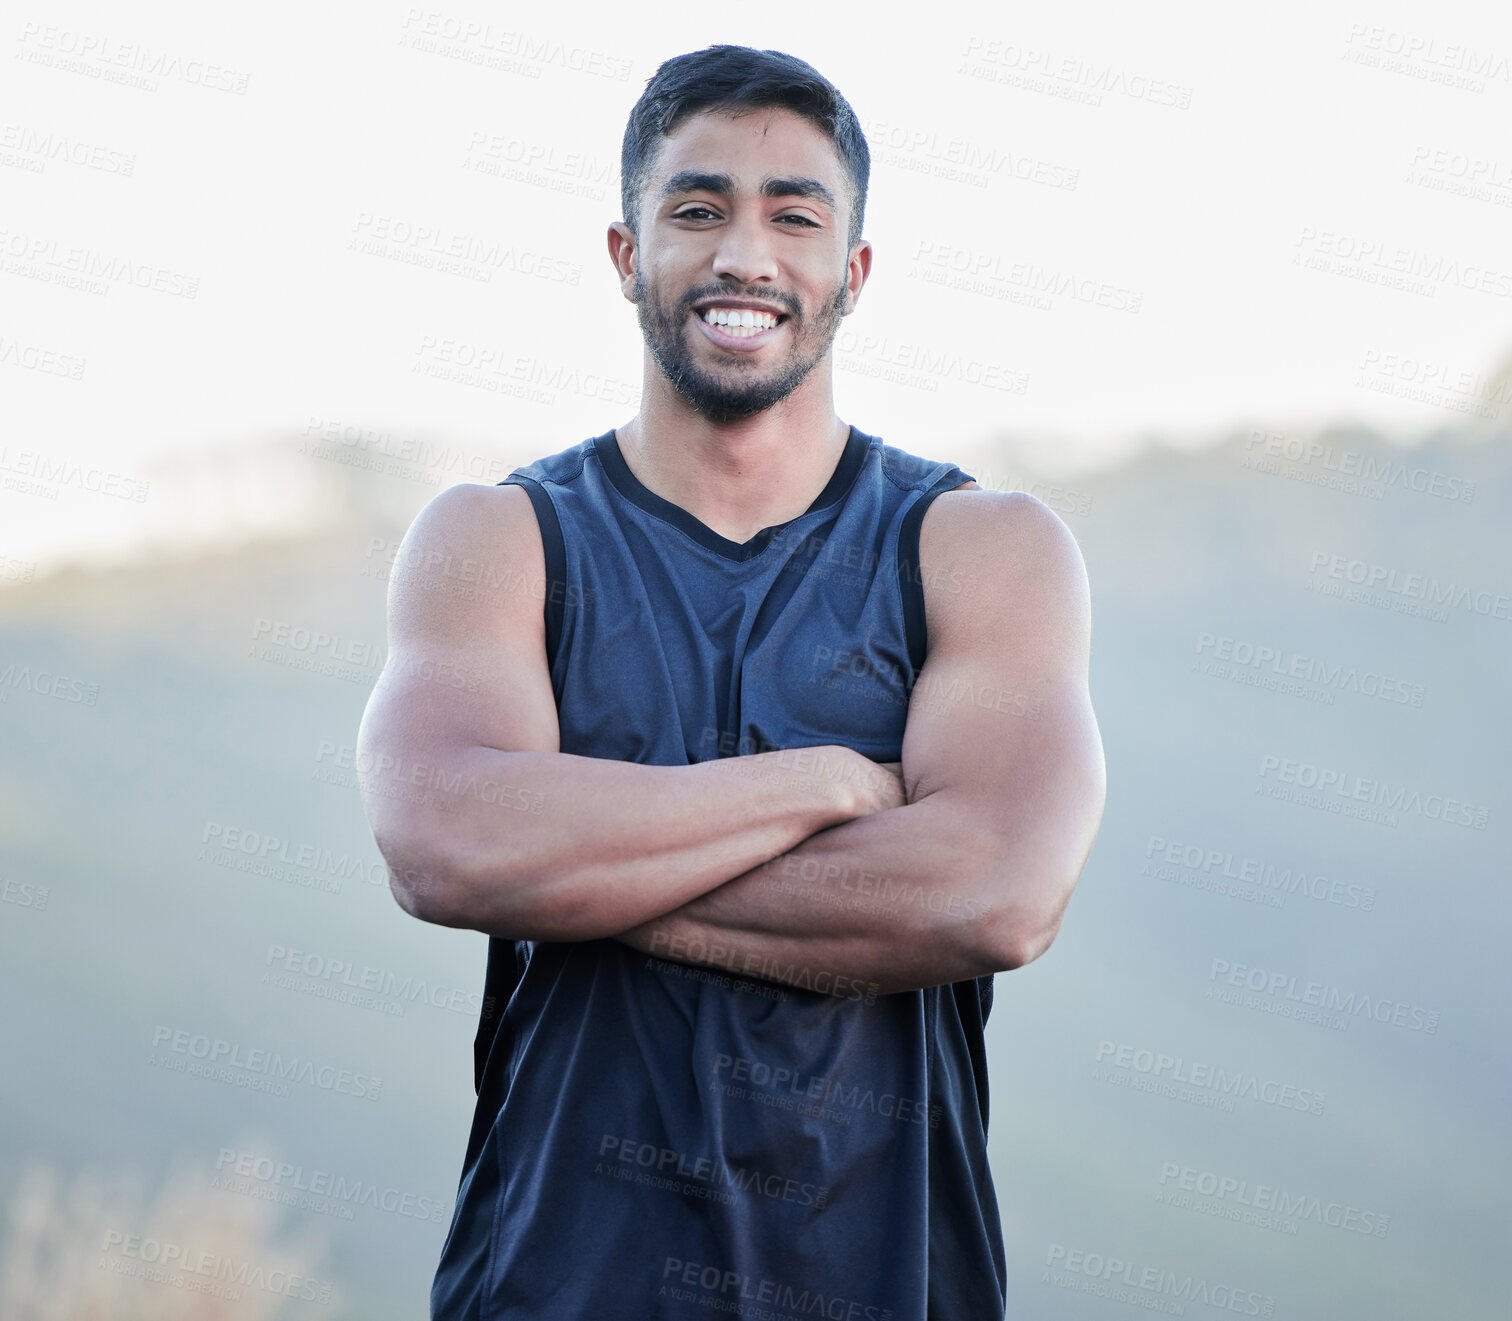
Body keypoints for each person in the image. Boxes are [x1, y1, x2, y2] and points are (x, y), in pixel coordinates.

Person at [356, 43, 1106, 1321]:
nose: (743, 255)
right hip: (550, 1286)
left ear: (852, 273)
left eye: (793, 216)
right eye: (695, 209)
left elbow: (994, 894)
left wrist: (582, 871)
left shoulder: (981, 550)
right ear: (625, 253)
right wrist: (820, 785)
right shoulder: (500, 541)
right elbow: (443, 845)